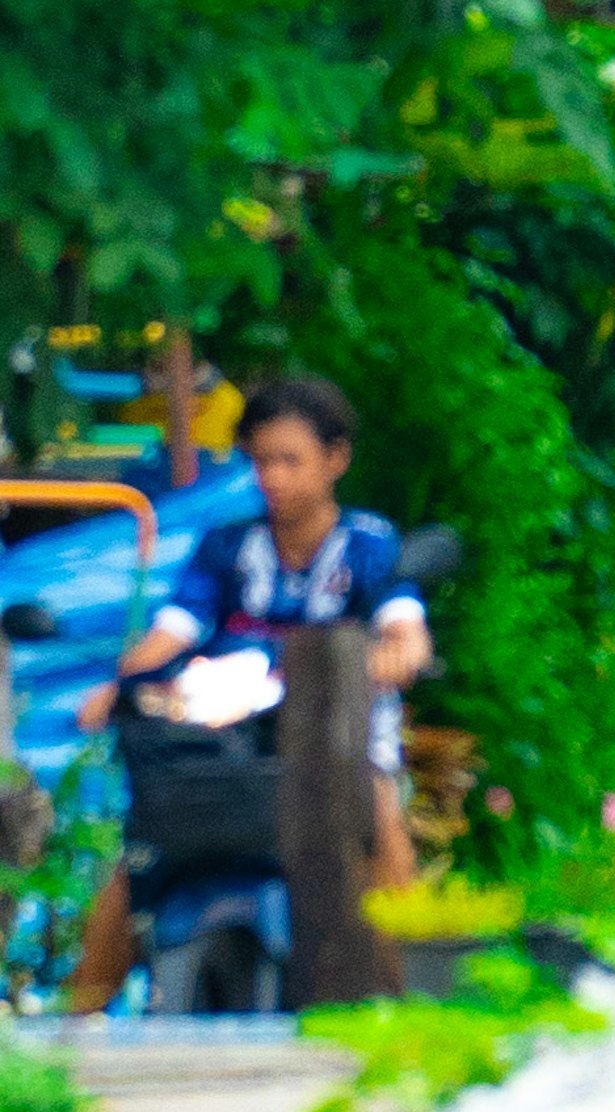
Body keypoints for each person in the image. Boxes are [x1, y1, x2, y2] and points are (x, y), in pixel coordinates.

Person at [73, 374, 430, 994]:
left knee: (381, 821)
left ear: (335, 459)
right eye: (261, 461)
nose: (273, 478)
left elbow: (405, 625)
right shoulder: (226, 546)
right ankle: (79, 1018)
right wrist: (116, 682)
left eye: (290, 460)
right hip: (229, 744)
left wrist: (398, 655)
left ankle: (406, 990)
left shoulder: (369, 545)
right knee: (141, 856)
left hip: (341, 742)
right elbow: (173, 632)